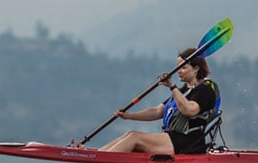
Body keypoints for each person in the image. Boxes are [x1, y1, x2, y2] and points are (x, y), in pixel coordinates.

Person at [92, 49, 220, 155]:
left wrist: (171, 86)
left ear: (196, 68)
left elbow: (189, 110)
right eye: (178, 67)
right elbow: (157, 111)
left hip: (188, 142)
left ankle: (98, 161)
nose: (178, 71)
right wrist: (129, 116)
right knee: (129, 134)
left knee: (134, 137)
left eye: (183, 67)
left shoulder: (205, 90)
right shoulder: (184, 90)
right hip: (173, 138)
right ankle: (98, 154)